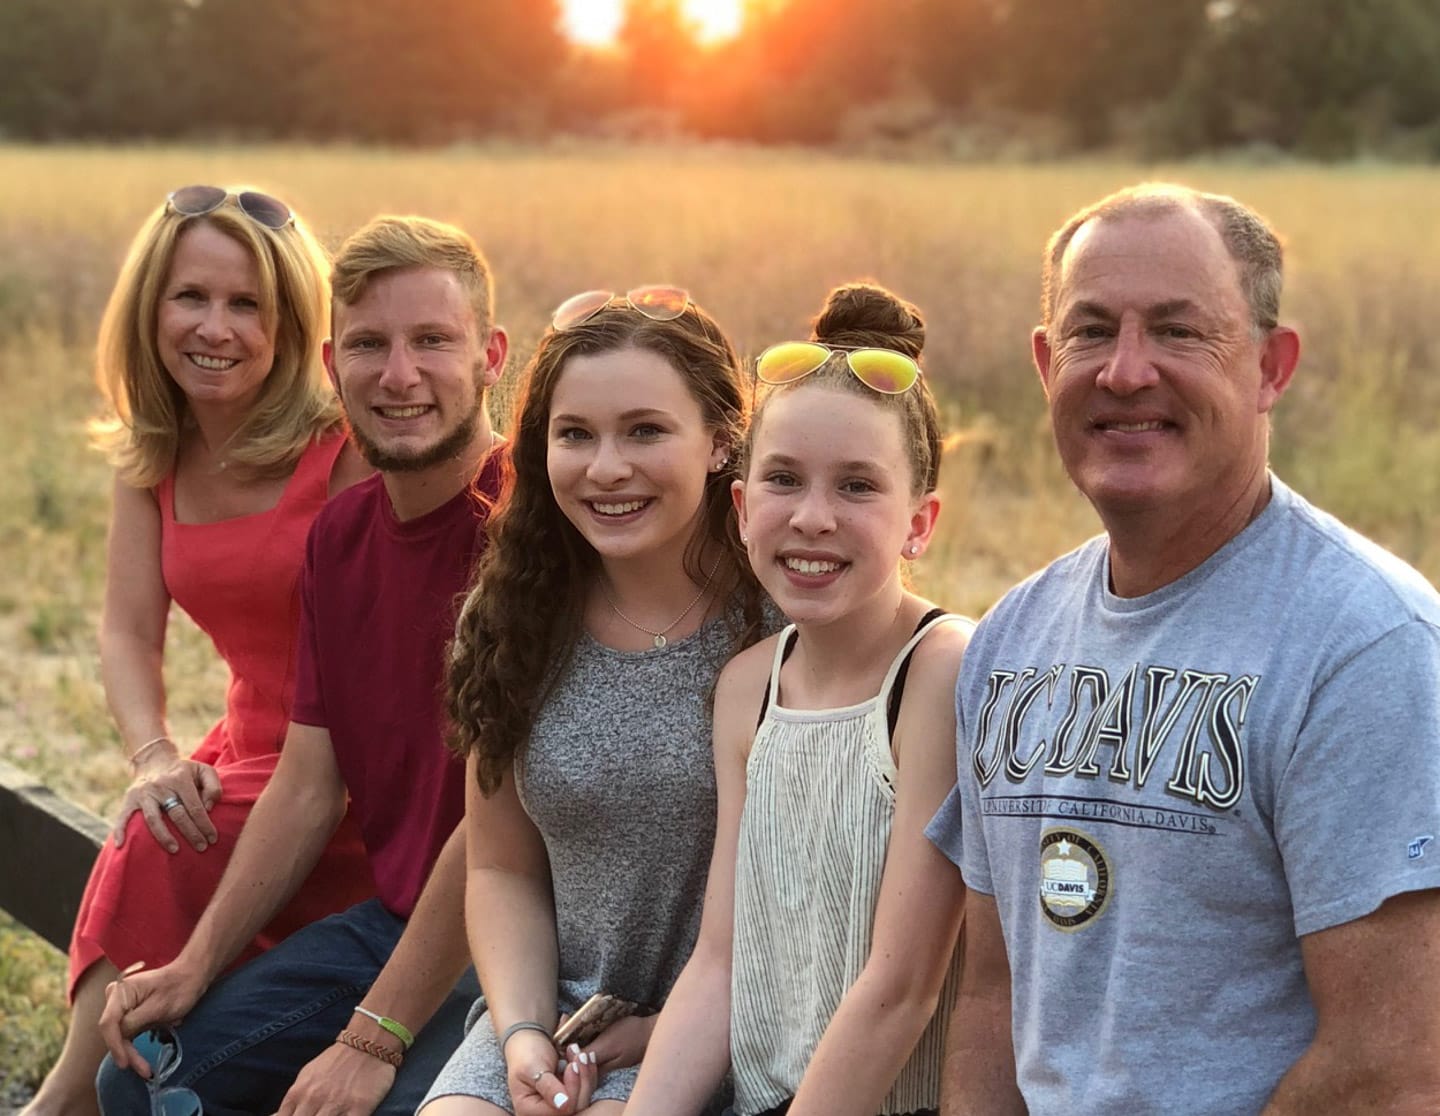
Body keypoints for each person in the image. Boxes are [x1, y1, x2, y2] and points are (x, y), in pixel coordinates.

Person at [926, 183, 1440, 1114]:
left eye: (1177, 331)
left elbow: (1394, 1066)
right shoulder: (1010, 641)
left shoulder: (1366, 648)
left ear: (1269, 367)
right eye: (1090, 332)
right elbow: (995, 998)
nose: (1125, 372)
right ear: (1046, 364)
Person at [95, 214, 510, 1114]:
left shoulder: (531, 527)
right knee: (142, 1084)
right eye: (369, 345)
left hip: (518, 941)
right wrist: (195, 965)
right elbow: (308, 783)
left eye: (433, 341)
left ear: (493, 357)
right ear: (332, 367)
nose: (398, 376)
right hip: (392, 921)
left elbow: (497, 824)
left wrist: (372, 1038)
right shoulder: (341, 537)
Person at [24, 186, 375, 1116]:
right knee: (161, 809)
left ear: (290, 321)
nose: (214, 328)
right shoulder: (155, 451)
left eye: (246, 303)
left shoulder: (342, 452)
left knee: (163, 839)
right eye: (191, 297)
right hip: (244, 746)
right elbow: (127, 630)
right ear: (150, 306)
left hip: (342, 774)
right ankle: (103, 1087)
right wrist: (152, 753)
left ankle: (68, 1103)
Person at [420, 285, 767, 1115]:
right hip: (559, 1016)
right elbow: (501, 865)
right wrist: (522, 1036)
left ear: (721, 441)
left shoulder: (782, 622)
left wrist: (666, 1032)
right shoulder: (514, 614)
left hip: (728, 1033)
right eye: (574, 434)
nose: (606, 468)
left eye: (645, 431)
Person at [625, 283, 970, 1116]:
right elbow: (720, 963)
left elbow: (901, 988)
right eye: (784, 480)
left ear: (919, 523)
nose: (813, 518)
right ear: (742, 508)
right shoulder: (748, 689)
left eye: (857, 487)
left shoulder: (942, 672)